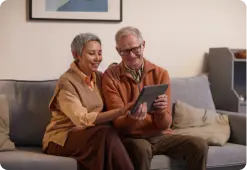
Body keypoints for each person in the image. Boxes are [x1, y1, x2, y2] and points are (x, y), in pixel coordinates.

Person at [102, 26, 209, 170]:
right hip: (131, 138)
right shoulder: (110, 76)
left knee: (199, 145)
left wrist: (160, 111)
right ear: (117, 50)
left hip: (161, 136)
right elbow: (118, 124)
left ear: (143, 45)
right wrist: (133, 117)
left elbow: (165, 125)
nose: (132, 55)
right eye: (125, 51)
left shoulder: (160, 73)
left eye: (135, 49)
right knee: (140, 149)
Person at [42, 33, 134, 170]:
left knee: (107, 137)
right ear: (76, 55)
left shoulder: (99, 77)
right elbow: (81, 119)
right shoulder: (66, 82)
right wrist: (119, 111)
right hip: (62, 138)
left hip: (92, 134)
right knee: (105, 134)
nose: (98, 58)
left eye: (100, 53)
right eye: (92, 53)